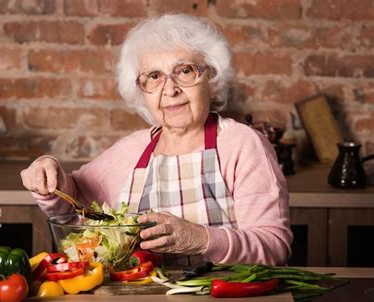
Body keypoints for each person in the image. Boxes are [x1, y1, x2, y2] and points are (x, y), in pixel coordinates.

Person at [21, 14, 292, 266]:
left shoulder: (242, 144)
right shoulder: (132, 150)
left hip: (224, 300)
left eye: (185, 71)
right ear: (142, 91)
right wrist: (49, 171)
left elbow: (274, 245)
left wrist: (202, 239)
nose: (170, 90)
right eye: (154, 77)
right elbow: (73, 208)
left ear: (211, 77)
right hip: (142, 299)